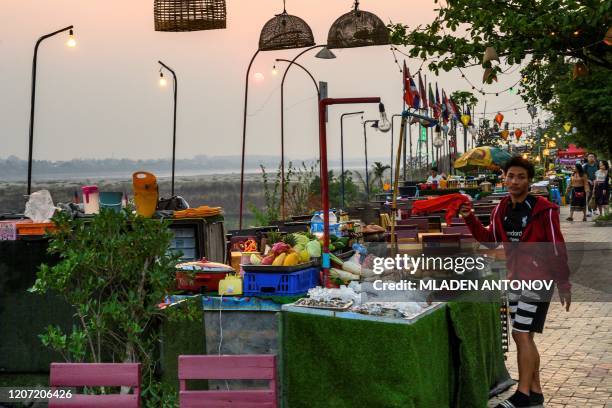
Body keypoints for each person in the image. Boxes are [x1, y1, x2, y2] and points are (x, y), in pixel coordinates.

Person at [459, 156, 571, 408]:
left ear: (529, 181)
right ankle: (535, 393)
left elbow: (556, 247)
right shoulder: (501, 208)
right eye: (511, 176)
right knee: (526, 336)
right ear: (504, 178)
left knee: (520, 334)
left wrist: (564, 283)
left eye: (520, 177)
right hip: (513, 278)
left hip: (538, 280)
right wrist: (469, 217)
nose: (514, 181)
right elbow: (490, 239)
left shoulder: (543, 209)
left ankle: (521, 395)